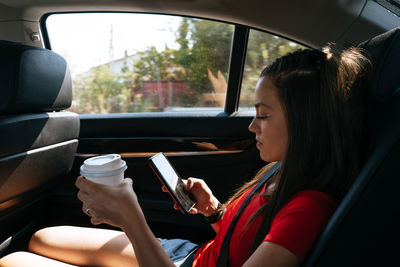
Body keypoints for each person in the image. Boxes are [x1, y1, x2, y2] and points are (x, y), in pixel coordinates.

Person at [0, 45, 371, 267]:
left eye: (263, 115)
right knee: (42, 238)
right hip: (192, 254)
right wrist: (215, 212)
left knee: (13, 260)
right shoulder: (279, 170)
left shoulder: (308, 210)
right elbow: (243, 243)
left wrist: (131, 219)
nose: (251, 127)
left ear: (306, 124)